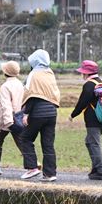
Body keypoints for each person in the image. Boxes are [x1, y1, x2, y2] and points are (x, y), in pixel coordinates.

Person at [18, 49, 61, 181]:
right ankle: (50, 174)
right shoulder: (50, 73)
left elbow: (31, 95)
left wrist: (26, 114)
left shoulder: (34, 74)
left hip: (37, 112)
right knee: (48, 144)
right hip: (52, 113)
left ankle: (32, 168)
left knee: (25, 137)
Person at [69, 59, 102, 181]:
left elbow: (82, 102)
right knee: (89, 141)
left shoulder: (89, 85)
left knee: (94, 143)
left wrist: (73, 115)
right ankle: (95, 169)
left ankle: (101, 171)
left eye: (82, 72)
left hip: (93, 120)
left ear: (86, 73)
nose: (82, 75)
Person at [0, 59, 23, 176]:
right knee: (21, 142)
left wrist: (8, 122)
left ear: (5, 72)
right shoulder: (20, 84)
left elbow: (6, 105)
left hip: (5, 120)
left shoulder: (5, 86)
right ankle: (33, 163)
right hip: (18, 117)